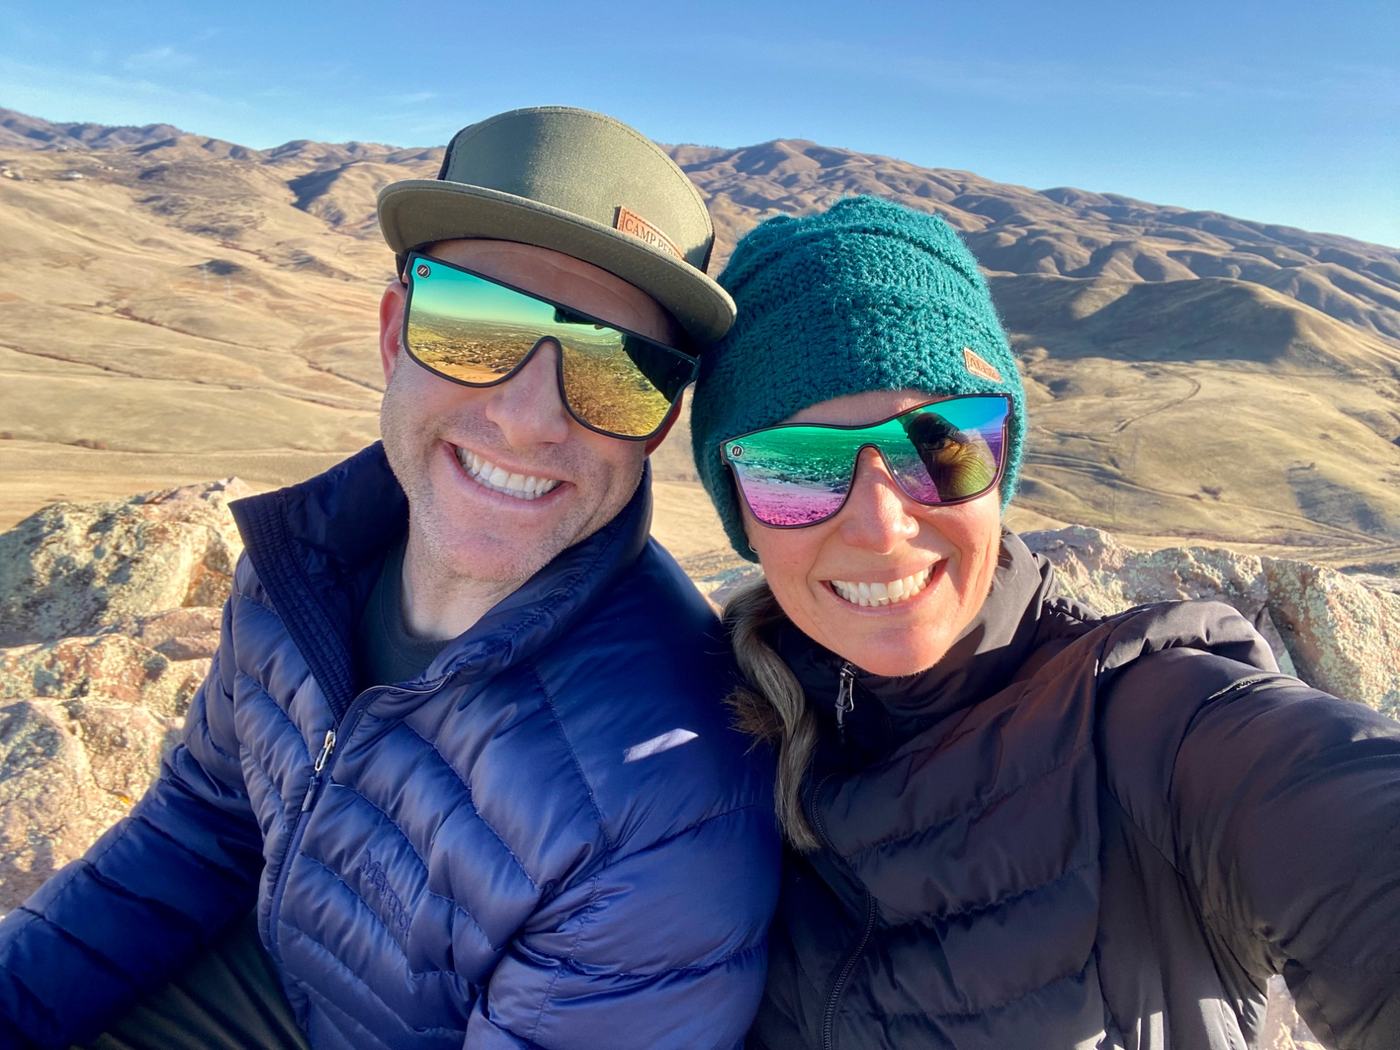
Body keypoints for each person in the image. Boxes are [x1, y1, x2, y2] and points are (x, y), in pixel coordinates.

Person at [0, 106, 779, 1049]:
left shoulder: (664, 806)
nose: (532, 420)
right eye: (476, 323)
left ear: (656, 423)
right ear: (392, 331)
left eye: (619, 370)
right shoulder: (302, 572)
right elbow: (193, 834)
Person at [688, 195, 1400, 1050]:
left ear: (1001, 460)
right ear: (741, 508)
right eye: (796, 468)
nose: (880, 525)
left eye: (938, 446)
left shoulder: (1152, 727)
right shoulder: (694, 733)